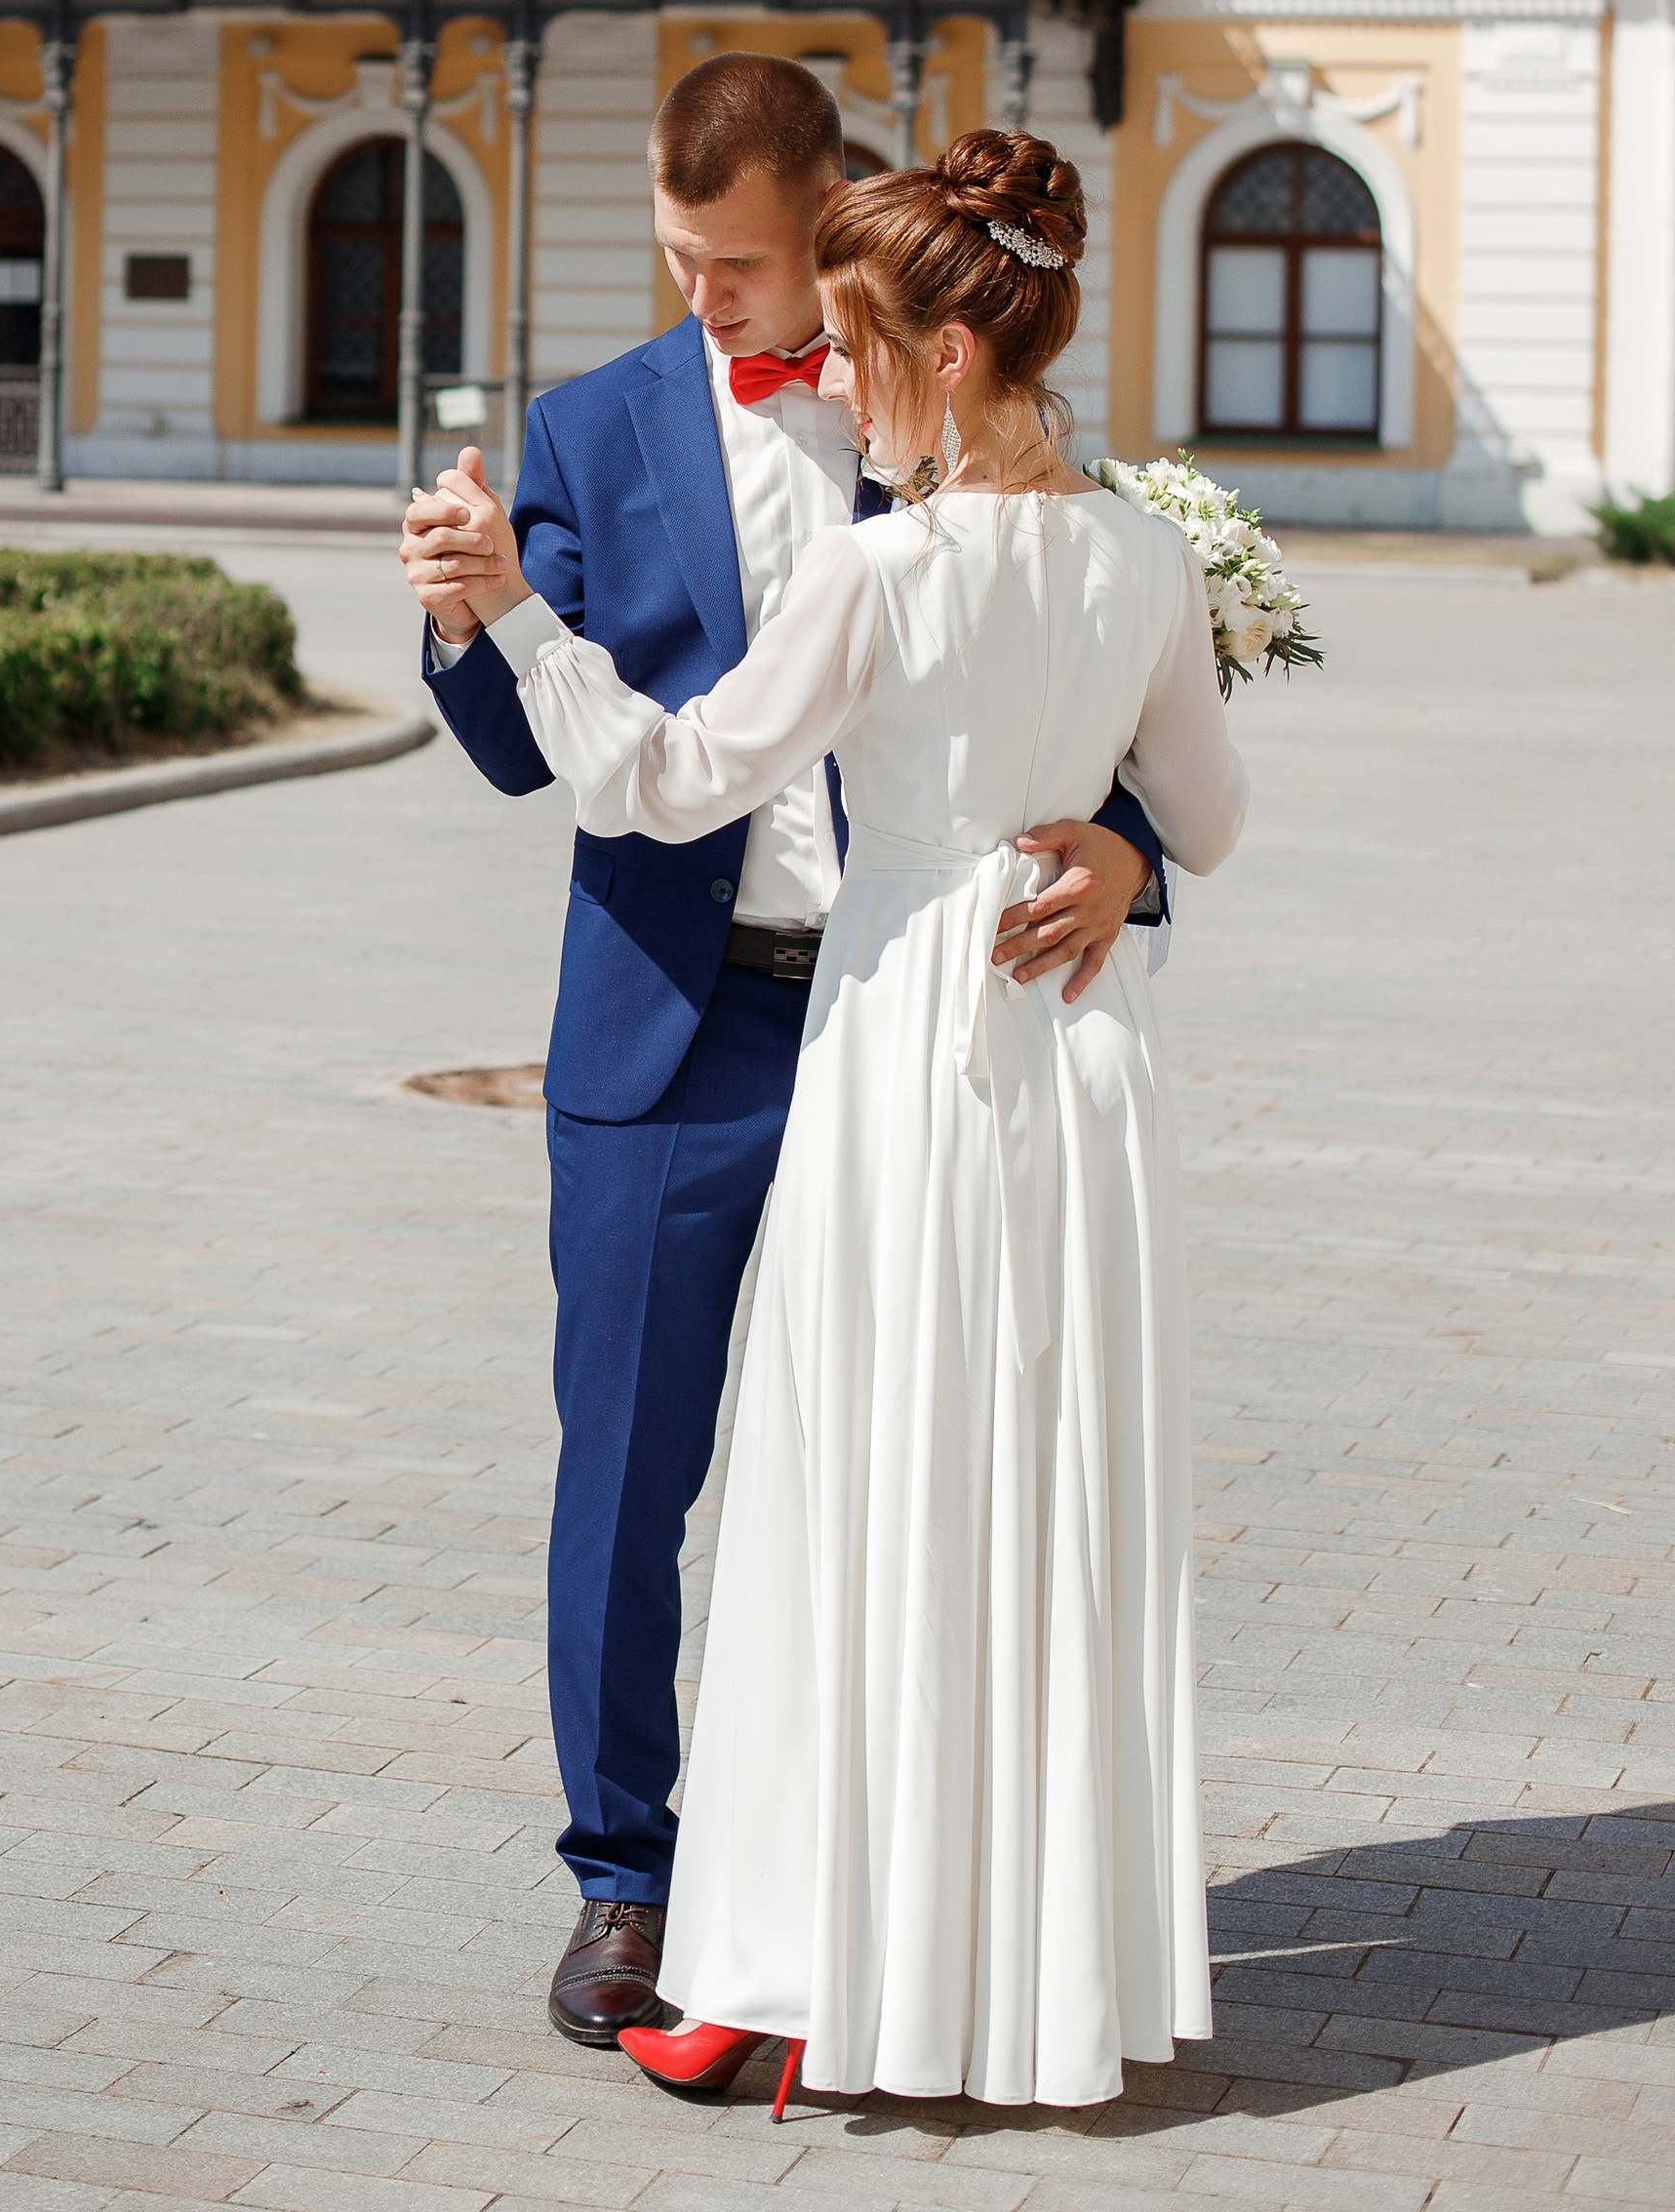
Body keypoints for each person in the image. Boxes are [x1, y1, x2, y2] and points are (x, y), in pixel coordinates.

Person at [419, 129, 1248, 2109]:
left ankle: (789, 1968)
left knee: (833, 1492)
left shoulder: (880, 558)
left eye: (856, 339)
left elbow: (670, 774)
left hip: (893, 1042)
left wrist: (525, 627)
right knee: (1030, 1494)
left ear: (936, 348)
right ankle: (1032, 1976)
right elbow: (1206, 815)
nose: (836, 383)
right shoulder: (1140, 552)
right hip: (1061, 1058)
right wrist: (1102, 833)